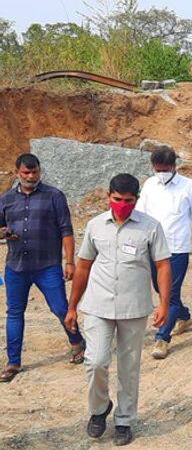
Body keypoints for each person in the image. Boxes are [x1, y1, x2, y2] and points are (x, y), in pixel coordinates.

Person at [65, 173, 172, 446]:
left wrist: (164, 303)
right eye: (116, 200)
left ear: (137, 199)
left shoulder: (150, 227)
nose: (122, 205)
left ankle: (124, 419)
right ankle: (100, 409)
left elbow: (162, 266)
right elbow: (84, 266)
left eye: (128, 200)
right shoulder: (95, 225)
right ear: (108, 197)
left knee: (129, 366)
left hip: (134, 307)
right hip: (98, 305)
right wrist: (72, 306)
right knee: (96, 361)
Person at [0, 153, 85, 383]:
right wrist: (4, 232)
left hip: (47, 266)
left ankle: (77, 342)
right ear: (17, 172)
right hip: (16, 267)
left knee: (60, 308)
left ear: (40, 171)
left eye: (34, 172)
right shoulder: (5, 199)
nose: (30, 176)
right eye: (26, 172)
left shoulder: (54, 196)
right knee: (14, 313)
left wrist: (69, 262)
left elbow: (66, 230)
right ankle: (13, 362)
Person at [135, 146, 192, 360]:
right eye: (158, 169)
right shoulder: (149, 185)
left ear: (174, 166)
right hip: (152, 248)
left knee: (169, 295)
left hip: (177, 249)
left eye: (166, 169)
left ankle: (162, 338)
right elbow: (140, 214)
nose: (162, 173)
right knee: (162, 290)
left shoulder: (189, 187)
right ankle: (184, 316)